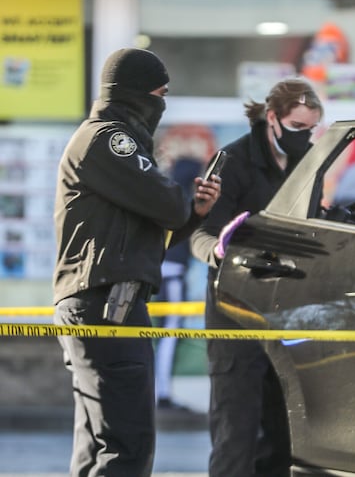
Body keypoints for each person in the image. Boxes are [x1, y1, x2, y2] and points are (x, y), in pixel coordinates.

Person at [52, 48, 220, 477]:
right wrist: (181, 204)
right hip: (107, 305)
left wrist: (193, 214)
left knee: (97, 444)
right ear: (134, 95)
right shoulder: (109, 137)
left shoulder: (104, 141)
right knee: (126, 445)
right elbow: (164, 203)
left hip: (103, 301)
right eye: (158, 95)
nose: (162, 106)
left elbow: (152, 236)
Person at [190, 77, 324, 477]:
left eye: (311, 129)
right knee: (236, 437)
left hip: (288, 315)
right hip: (235, 316)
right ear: (272, 118)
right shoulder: (231, 163)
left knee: (284, 440)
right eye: (298, 128)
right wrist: (219, 253)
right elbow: (198, 232)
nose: (305, 137)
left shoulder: (312, 163)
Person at [155, 156, 203, 410]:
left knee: (165, 333)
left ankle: (161, 391)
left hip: (163, 270)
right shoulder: (183, 200)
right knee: (169, 333)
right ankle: (161, 392)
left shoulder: (167, 196)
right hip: (172, 274)